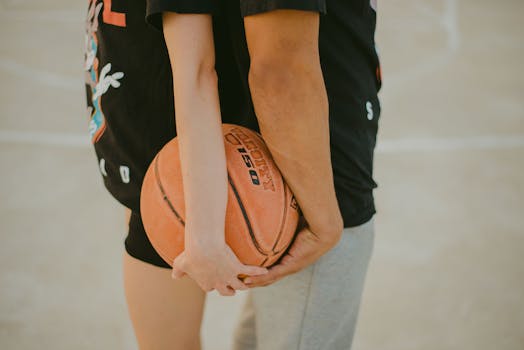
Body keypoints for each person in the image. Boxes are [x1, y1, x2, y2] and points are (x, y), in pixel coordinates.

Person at [84, 0, 381, 348]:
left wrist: (204, 230)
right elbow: (279, 71)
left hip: (160, 142)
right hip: (300, 162)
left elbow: (195, 63)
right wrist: (327, 222)